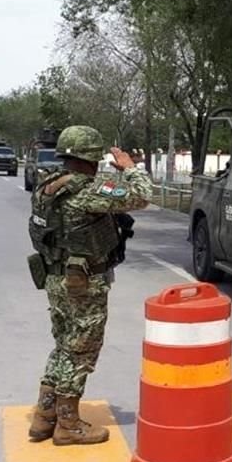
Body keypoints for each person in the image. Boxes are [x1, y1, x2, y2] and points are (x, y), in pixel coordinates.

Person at [26, 125, 153, 445]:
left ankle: (45, 416)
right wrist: (129, 168)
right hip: (83, 282)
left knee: (64, 346)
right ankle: (68, 424)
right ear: (91, 158)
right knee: (81, 351)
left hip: (55, 277)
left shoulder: (48, 185)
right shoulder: (86, 191)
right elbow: (141, 196)